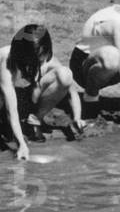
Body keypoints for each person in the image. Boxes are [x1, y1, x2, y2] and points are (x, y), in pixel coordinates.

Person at [1, 25, 84, 157]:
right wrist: (21, 144)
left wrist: (77, 117)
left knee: (65, 74)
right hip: (5, 99)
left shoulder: (45, 58)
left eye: (41, 56)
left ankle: (34, 120)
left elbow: (72, 90)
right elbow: (11, 108)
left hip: (25, 96)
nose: (40, 60)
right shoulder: (7, 61)